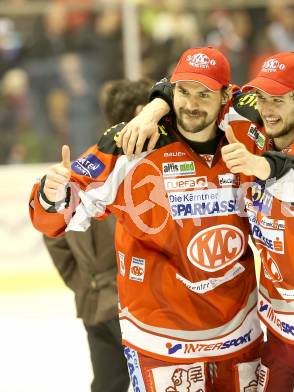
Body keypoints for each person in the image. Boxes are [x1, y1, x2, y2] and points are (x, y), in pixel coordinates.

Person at [122, 52, 294, 392]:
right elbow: (197, 84)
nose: (266, 109)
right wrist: (151, 112)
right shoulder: (256, 121)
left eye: (277, 100)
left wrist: (260, 165)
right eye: (262, 97)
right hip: (280, 329)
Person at [29, 47, 262, 392]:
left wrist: (157, 102)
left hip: (240, 332)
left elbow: (271, 97)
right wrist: (51, 194)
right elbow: (61, 212)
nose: (191, 104)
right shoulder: (133, 143)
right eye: (182, 92)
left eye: (204, 94)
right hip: (162, 338)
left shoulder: (245, 134)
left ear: (225, 96)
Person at [43, 79, 152, 392]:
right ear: (140, 112)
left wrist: (85, 283)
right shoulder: (136, 173)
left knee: (107, 384)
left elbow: (53, 231)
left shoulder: (89, 168)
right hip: (132, 307)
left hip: (95, 303)